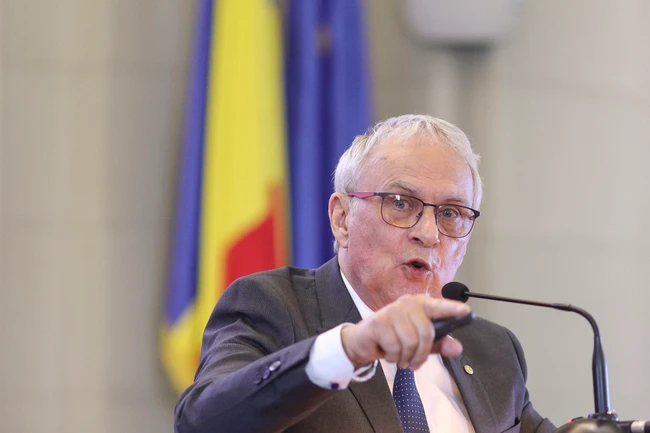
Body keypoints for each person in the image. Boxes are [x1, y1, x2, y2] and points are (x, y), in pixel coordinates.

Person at [174, 114, 555, 433]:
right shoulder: (272, 307)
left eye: (450, 213)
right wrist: (350, 348)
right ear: (342, 218)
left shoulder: (491, 348)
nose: (428, 233)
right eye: (401, 203)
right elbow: (203, 423)